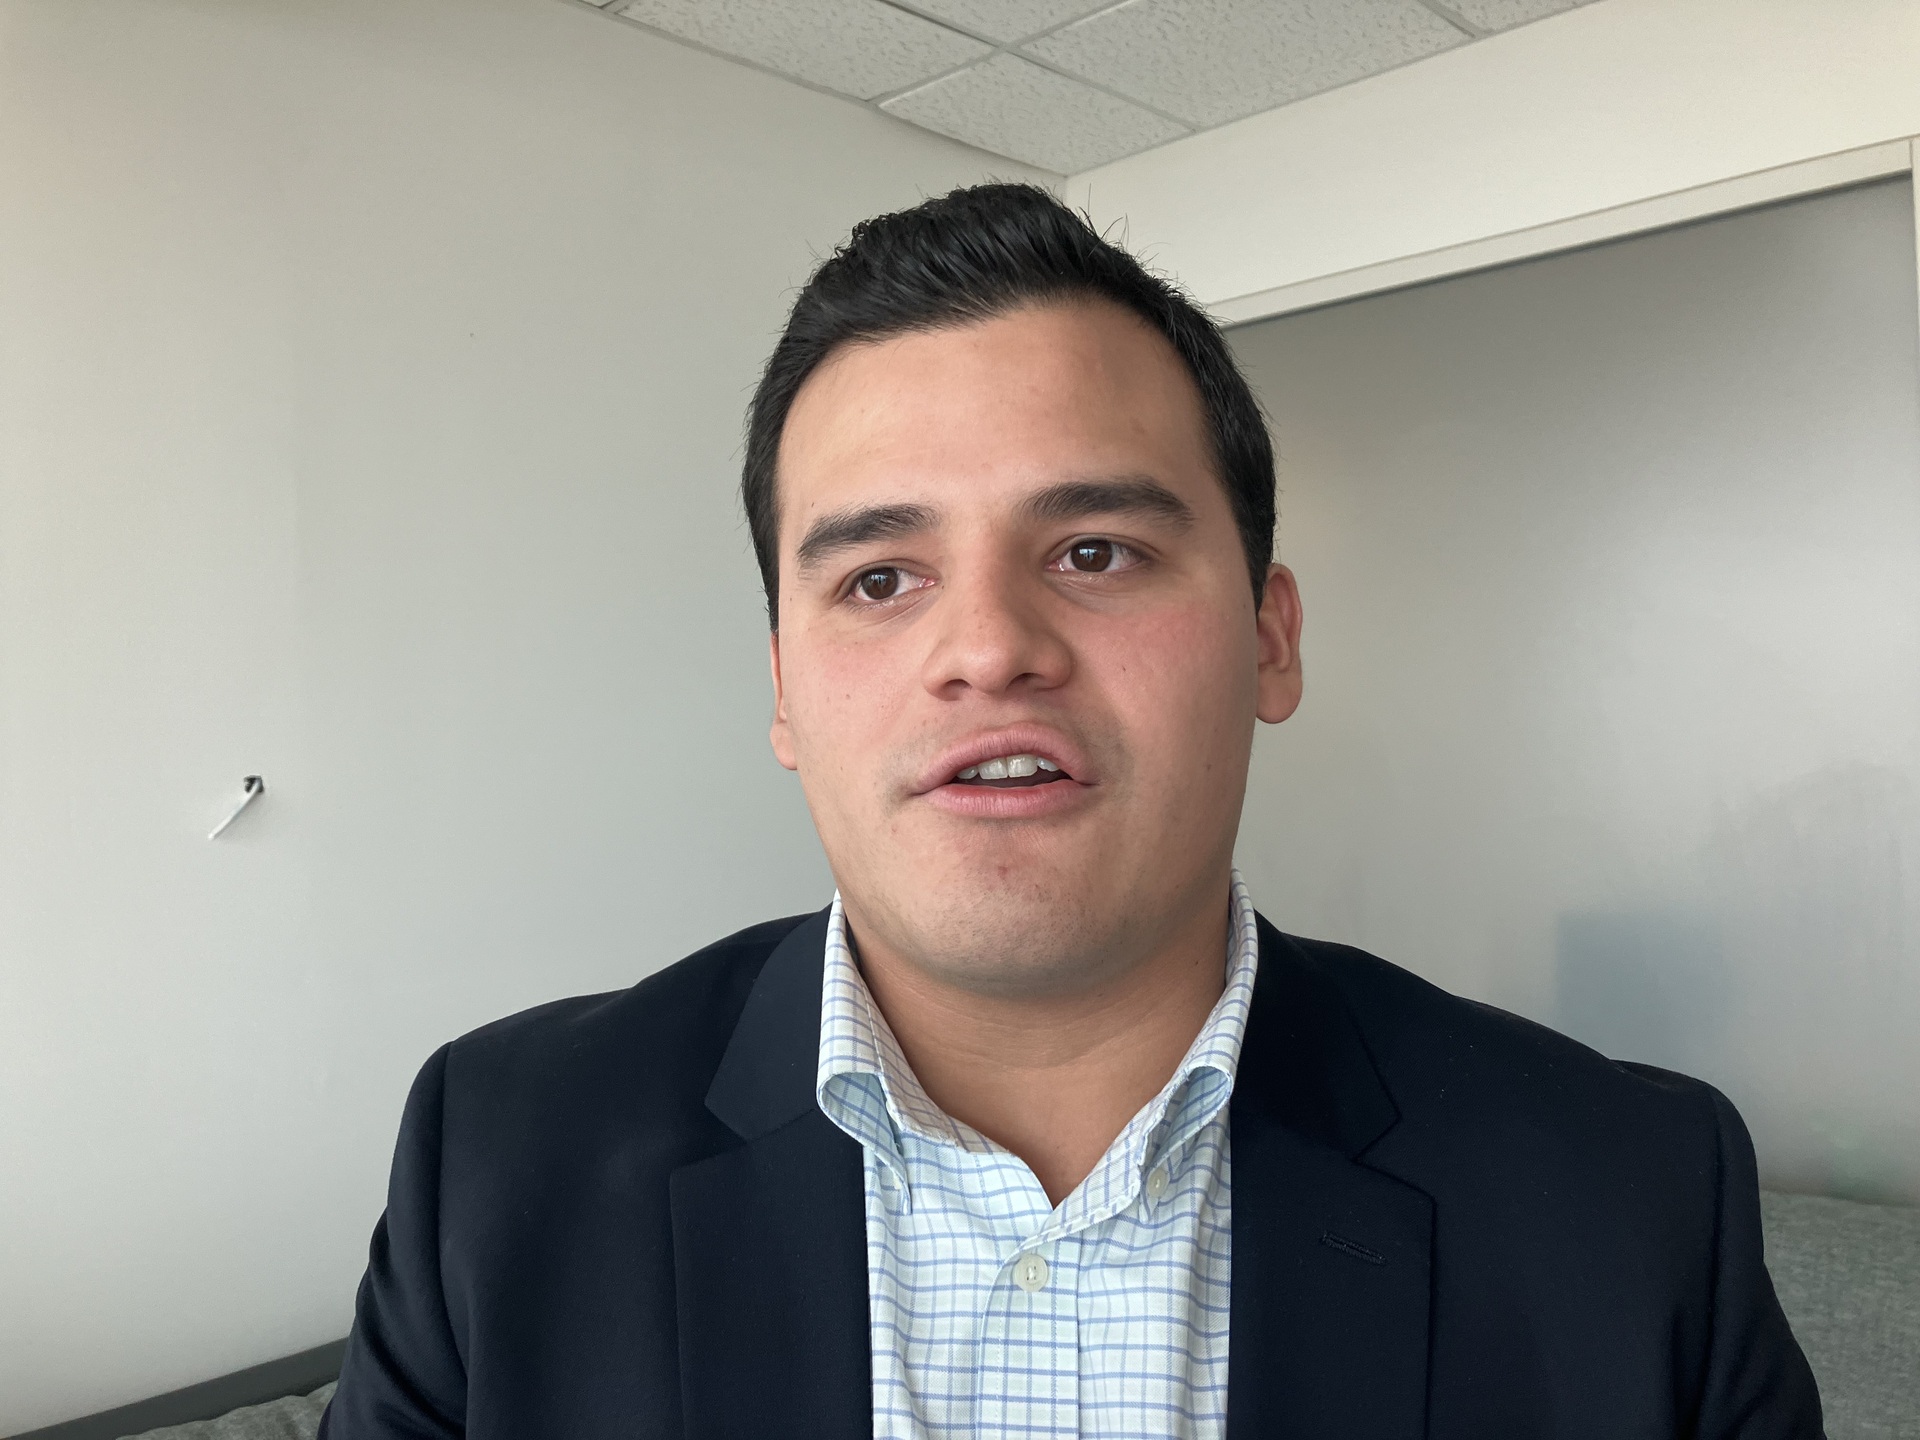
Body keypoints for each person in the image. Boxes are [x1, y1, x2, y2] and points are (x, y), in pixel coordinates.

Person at [319, 183, 1822, 1440]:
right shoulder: (500, 1161)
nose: (988, 648)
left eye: (1095, 550)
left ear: (1270, 639)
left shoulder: (1630, 1199)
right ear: (783, 690)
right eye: (880, 578)